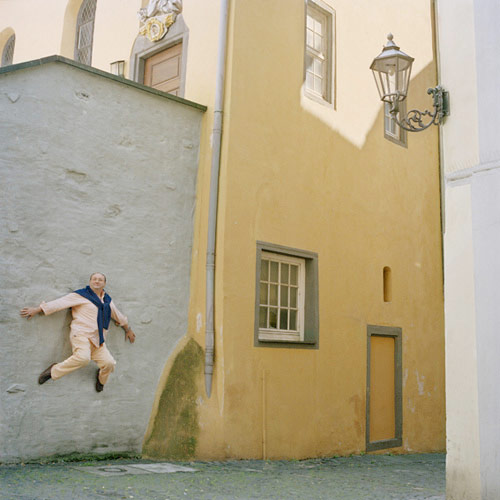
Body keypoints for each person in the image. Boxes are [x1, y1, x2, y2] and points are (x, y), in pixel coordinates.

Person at [20, 272, 135, 392]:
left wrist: (128, 330)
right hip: (81, 335)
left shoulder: (107, 301)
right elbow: (59, 303)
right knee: (83, 358)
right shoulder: (81, 295)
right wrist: (37, 310)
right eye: (94, 279)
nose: (97, 281)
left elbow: (118, 315)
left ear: (104, 283)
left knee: (109, 363)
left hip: (98, 339)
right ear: (90, 282)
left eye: (100, 279)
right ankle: (53, 371)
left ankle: (101, 380)